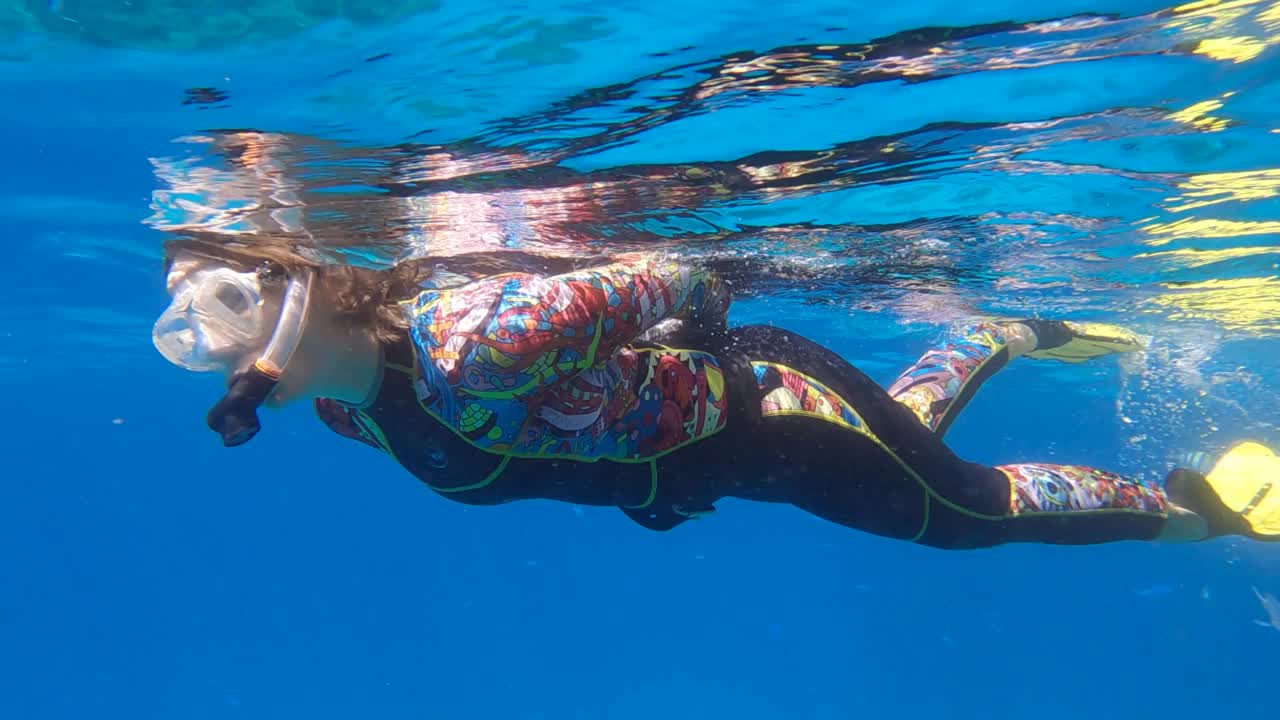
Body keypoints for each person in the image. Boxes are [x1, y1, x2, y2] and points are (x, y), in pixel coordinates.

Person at [152, 241, 1280, 548]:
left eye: (213, 308)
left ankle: (1197, 512)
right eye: (182, 326)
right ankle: (997, 332)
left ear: (288, 286)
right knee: (918, 449)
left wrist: (676, 380)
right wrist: (644, 475)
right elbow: (549, 457)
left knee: (963, 513)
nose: (199, 343)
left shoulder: (482, 338)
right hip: (725, 466)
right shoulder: (347, 412)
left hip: (775, 411)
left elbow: (691, 276)